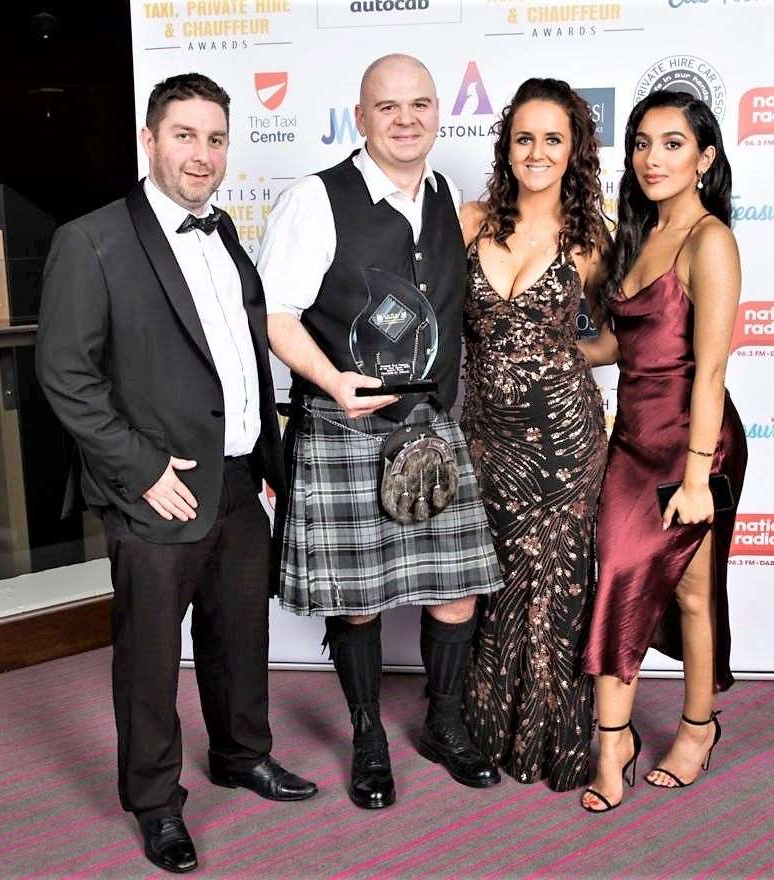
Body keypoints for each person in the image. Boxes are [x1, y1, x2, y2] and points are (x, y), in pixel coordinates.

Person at [36, 73, 316, 873]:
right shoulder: (91, 240)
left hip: (235, 479)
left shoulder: (225, 231)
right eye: (185, 136)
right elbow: (66, 376)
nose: (202, 154)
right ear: (149, 140)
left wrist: (262, 460)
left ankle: (241, 755)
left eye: (215, 138)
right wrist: (142, 467)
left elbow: (238, 357)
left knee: (241, 636)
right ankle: (156, 803)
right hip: (156, 485)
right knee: (151, 659)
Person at [260, 53, 505, 810]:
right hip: (342, 424)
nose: (405, 119)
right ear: (359, 118)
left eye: (420, 105)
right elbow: (274, 316)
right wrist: (330, 380)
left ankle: (443, 724)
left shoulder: (443, 194)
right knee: (359, 600)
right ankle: (368, 734)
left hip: (431, 423)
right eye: (387, 106)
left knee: (459, 590)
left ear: (438, 114)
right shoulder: (315, 198)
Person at [578, 91, 748, 812]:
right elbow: (623, 343)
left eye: (673, 144)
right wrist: (559, 352)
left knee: (692, 592)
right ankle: (613, 736)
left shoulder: (710, 240)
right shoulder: (638, 235)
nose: (652, 158)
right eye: (642, 143)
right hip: (634, 440)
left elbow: (708, 369)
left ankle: (696, 727)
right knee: (615, 573)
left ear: (704, 159)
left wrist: (698, 477)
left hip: (696, 445)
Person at [458, 78, 609, 790]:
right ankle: (487, 735)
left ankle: (552, 747)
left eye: (552, 138)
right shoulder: (470, 221)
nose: (537, 151)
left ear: (573, 148)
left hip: (562, 442)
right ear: (506, 145)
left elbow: (615, 339)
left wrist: (556, 354)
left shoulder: (589, 240)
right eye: (524, 137)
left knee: (551, 590)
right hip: (485, 442)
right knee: (497, 587)